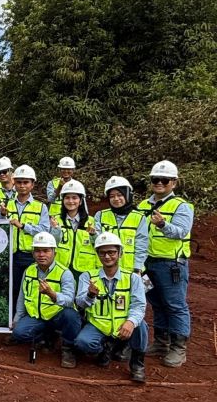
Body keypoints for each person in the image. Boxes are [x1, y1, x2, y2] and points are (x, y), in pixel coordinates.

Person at [136, 160, 194, 368]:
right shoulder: (143, 205)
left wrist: (162, 224)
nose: (159, 183)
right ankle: (161, 342)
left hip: (170, 265)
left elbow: (181, 232)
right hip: (146, 264)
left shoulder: (182, 206)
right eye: (155, 179)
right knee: (156, 302)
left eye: (164, 180)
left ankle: (179, 347)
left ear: (174, 183)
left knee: (175, 304)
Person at [74, 232, 148, 383]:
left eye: (112, 252)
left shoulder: (133, 278)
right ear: (97, 255)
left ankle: (137, 364)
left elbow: (139, 305)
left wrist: (131, 322)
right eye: (102, 253)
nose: (107, 256)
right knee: (82, 342)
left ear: (120, 253)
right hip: (98, 325)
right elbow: (79, 303)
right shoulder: (87, 276)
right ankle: (105, 349)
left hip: (123, 324)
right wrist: (89, 296)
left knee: (141, 326)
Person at [11, 232, 80, 368]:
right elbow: (22, 296)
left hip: (57, 316)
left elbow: (69, 300)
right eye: (37, 251)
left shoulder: (64, 273)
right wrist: (17, 318)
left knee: (71, 316)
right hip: (37, 316)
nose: (41, 255)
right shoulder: (29, 270)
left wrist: (52, 294)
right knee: (18, 333)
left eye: (46, 251)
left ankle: (68, 348)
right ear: (33, 253)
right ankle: (45, 336)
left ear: (54, 252)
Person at [1, 165, 50, 317]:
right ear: (14, 183)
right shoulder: (6, 204)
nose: (22, 185)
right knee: (13, 289)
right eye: (19, 182)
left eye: (26, 182)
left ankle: (32, 322)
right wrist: (2, 215)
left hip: (31, 256)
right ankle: (12, 323)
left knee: (33, 288)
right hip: (11, 255)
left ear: (32, 184)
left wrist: (23, 226)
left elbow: (44, 230)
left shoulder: (40, 207)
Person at [94, 176, 148, 275]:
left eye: (120, 195)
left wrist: (137, 268)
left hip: (130, 271)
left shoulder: (139, 217)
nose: (116, 199)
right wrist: (93, 234)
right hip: (105, 270)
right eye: (112, 196)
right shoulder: (100, 215)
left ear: (127, 195)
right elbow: (96, 242)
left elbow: (141, 245)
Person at [49, 180, 99, 280]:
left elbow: (99, 245)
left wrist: (94, 235)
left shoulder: (91, 221)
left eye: (74, 198)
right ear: (63, 200)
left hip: (84, 270)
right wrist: (55, 230)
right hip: (61, 268)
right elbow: (51, 244)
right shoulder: (55, 220)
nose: (71, 201)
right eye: (67, 198)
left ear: (80, 201)